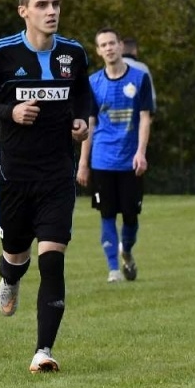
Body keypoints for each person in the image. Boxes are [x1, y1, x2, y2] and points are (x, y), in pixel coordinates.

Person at [0, 0, 96, 373]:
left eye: (55, 4)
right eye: (42, 5)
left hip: (57, 175)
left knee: (52, 261)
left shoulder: (73, 53)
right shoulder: (0, 54)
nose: (51, 11)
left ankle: (43, 352)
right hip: (14, 177)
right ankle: (9, 275)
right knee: (16, 256)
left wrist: (82, 121)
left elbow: (83, 95)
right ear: (24, 11)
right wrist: (11, 112)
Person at [76, 28, 156, 282]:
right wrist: (83, 164)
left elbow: (145, 118)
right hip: (102, 160)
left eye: (112, 43)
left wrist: (141, 153)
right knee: (107, 214)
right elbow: (89, 124)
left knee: (131, 217)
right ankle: (113, 269)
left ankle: (127, 251)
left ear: (121, 46)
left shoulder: (139, 79)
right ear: (98, 51)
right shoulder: (92, 83)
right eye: (103, 45)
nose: (109, 48)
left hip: (130, 160)